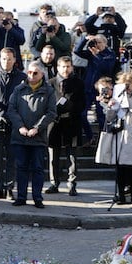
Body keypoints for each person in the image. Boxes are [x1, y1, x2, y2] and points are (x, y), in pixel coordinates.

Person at [95, 71, 132, 205]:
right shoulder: (117, 97)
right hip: (120, 136)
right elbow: (110, 117)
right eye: (123, 85)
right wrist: (110, 106)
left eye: (129, 85)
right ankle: (121, 196)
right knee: (121, 169)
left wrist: (128, 101)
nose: (126, 88)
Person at [7, 61, 57, 208]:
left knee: (37, 168)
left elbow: (51, 112)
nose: (31, 75)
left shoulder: (49, 91)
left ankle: (37, 197)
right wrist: (20, 127)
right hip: (20, 136)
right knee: (21, 167)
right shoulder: (19, 89)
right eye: (29, 72)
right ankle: (21, 196)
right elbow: (12, 110)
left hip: (38, 137)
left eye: (35, 73)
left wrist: (37, 128)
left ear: (42, 74)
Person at [0, 47, 27, 199]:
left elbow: (23, 99)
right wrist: (2, 113)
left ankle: (10, 187)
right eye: (4, 58)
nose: (6, 62)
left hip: (14, 123)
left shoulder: (22, 77)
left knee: (12, 157)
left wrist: (12, 115)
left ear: (15, 60)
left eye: (9, 59)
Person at [46, 56, 85, 196]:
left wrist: (70, 107)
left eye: (68, 66)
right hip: (54, 122)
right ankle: (54, 182)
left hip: (71, 121)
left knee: (72, 155)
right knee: (53, 155)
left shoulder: (78, 83)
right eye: (63, 66)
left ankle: (72, 183)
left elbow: (82, 103)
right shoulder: (50, 83)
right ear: (58, 67)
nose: (66, 69)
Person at [75, 34, 117, 144]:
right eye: (95, 42)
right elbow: (77, 51)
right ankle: (90, 137)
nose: (97, 45)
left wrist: (98, 55)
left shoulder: (110, 54)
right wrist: (85, 39)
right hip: (88, 88)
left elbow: (106, 68)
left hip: (102, 89)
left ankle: (103, 140)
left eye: (99, 42)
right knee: (82, 113)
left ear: (105, 43)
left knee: (101, 115)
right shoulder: (91, 53)